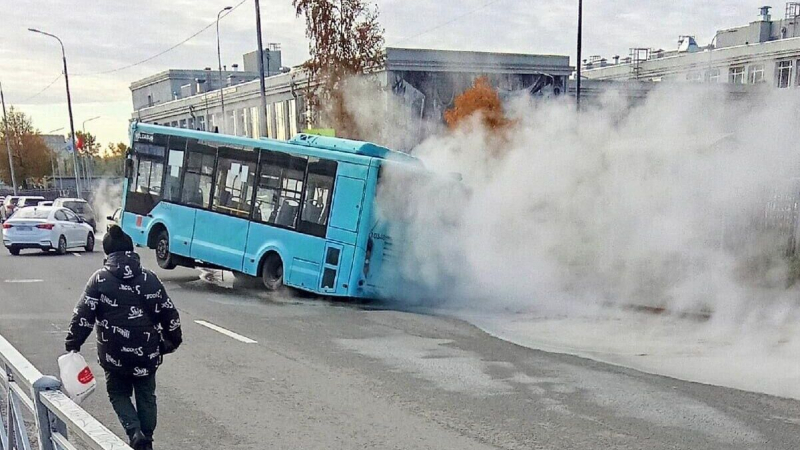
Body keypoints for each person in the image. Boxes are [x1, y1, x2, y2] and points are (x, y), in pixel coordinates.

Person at [65, 225, 182, 450]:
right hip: (147, 352)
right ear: (131, 251)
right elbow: (169, 313)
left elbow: (83, 315)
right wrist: (172, 341)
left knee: (117, 392)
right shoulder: (150, 279)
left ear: (108, 253)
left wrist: (73, 344)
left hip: (113, 354)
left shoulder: (99, 280)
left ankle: (134, 431)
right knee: (146, 394)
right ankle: (146, 438)